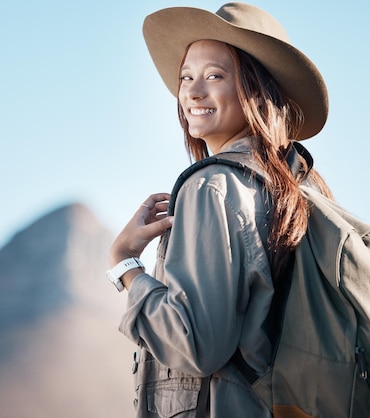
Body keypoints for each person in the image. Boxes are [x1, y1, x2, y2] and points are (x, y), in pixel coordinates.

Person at [106, 3, 333, 417]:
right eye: (186, 77)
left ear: (257, 88)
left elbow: (194, 344)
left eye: (214, 76)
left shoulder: (211, 187)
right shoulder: (300, 185)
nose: (192, 92)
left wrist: (125, 266)